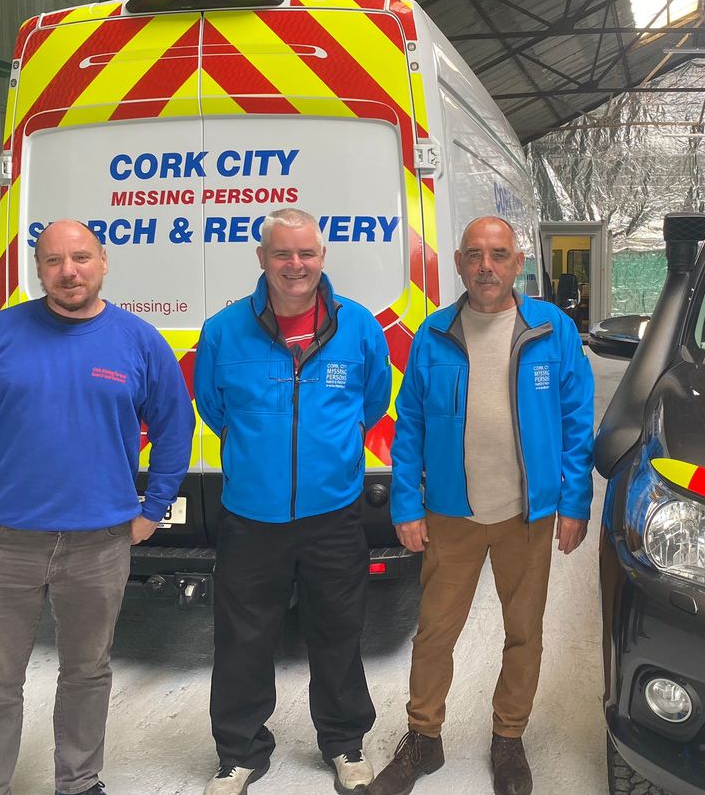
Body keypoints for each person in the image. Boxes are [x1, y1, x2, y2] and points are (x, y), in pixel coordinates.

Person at [0, 219, 195, 795]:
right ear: (38, 268)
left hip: (99, 544)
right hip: (2, 542)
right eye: (53, 260)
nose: (68, 271)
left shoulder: (139, 340)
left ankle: (78, 781)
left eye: (80, 258)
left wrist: (155, 506)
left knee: (86, 672)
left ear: (103, 261)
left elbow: (176, 427)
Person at [370, 216, 594, 795]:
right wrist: (406, 503)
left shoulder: (552, 330)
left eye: (498, 255)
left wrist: (574, 500)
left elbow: (576, 421)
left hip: (528, 516)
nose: (485, 266)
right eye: (474, 255)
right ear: (460, 264)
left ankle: (508, 739)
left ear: (519, 263)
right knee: (434, 633)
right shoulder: (435, 334)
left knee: (524, 631)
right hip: (451, 515)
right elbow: (411, 424)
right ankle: (424, 737)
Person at [193, 208, 391, 795]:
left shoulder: (358, 328)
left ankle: (345, 744)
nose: (295, 265)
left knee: (337, 632)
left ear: (322, 258)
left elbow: (373, 402)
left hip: (333, 513)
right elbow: (213, 407)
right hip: (252, 516)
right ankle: (239, 753)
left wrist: (329, 454)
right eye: (282, 254)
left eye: (306, 253)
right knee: (242, 638)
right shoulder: (224, 331)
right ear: (262, 259)